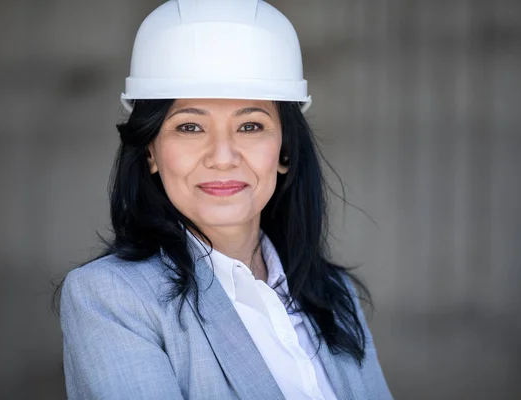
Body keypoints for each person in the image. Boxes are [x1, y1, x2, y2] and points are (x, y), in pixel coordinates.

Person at [56, 0, 393, 399]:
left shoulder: (334, 295)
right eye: (190, 127)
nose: (222, 157)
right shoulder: (112, 298)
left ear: (285, 151)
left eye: (250, 125)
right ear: (150, 152)